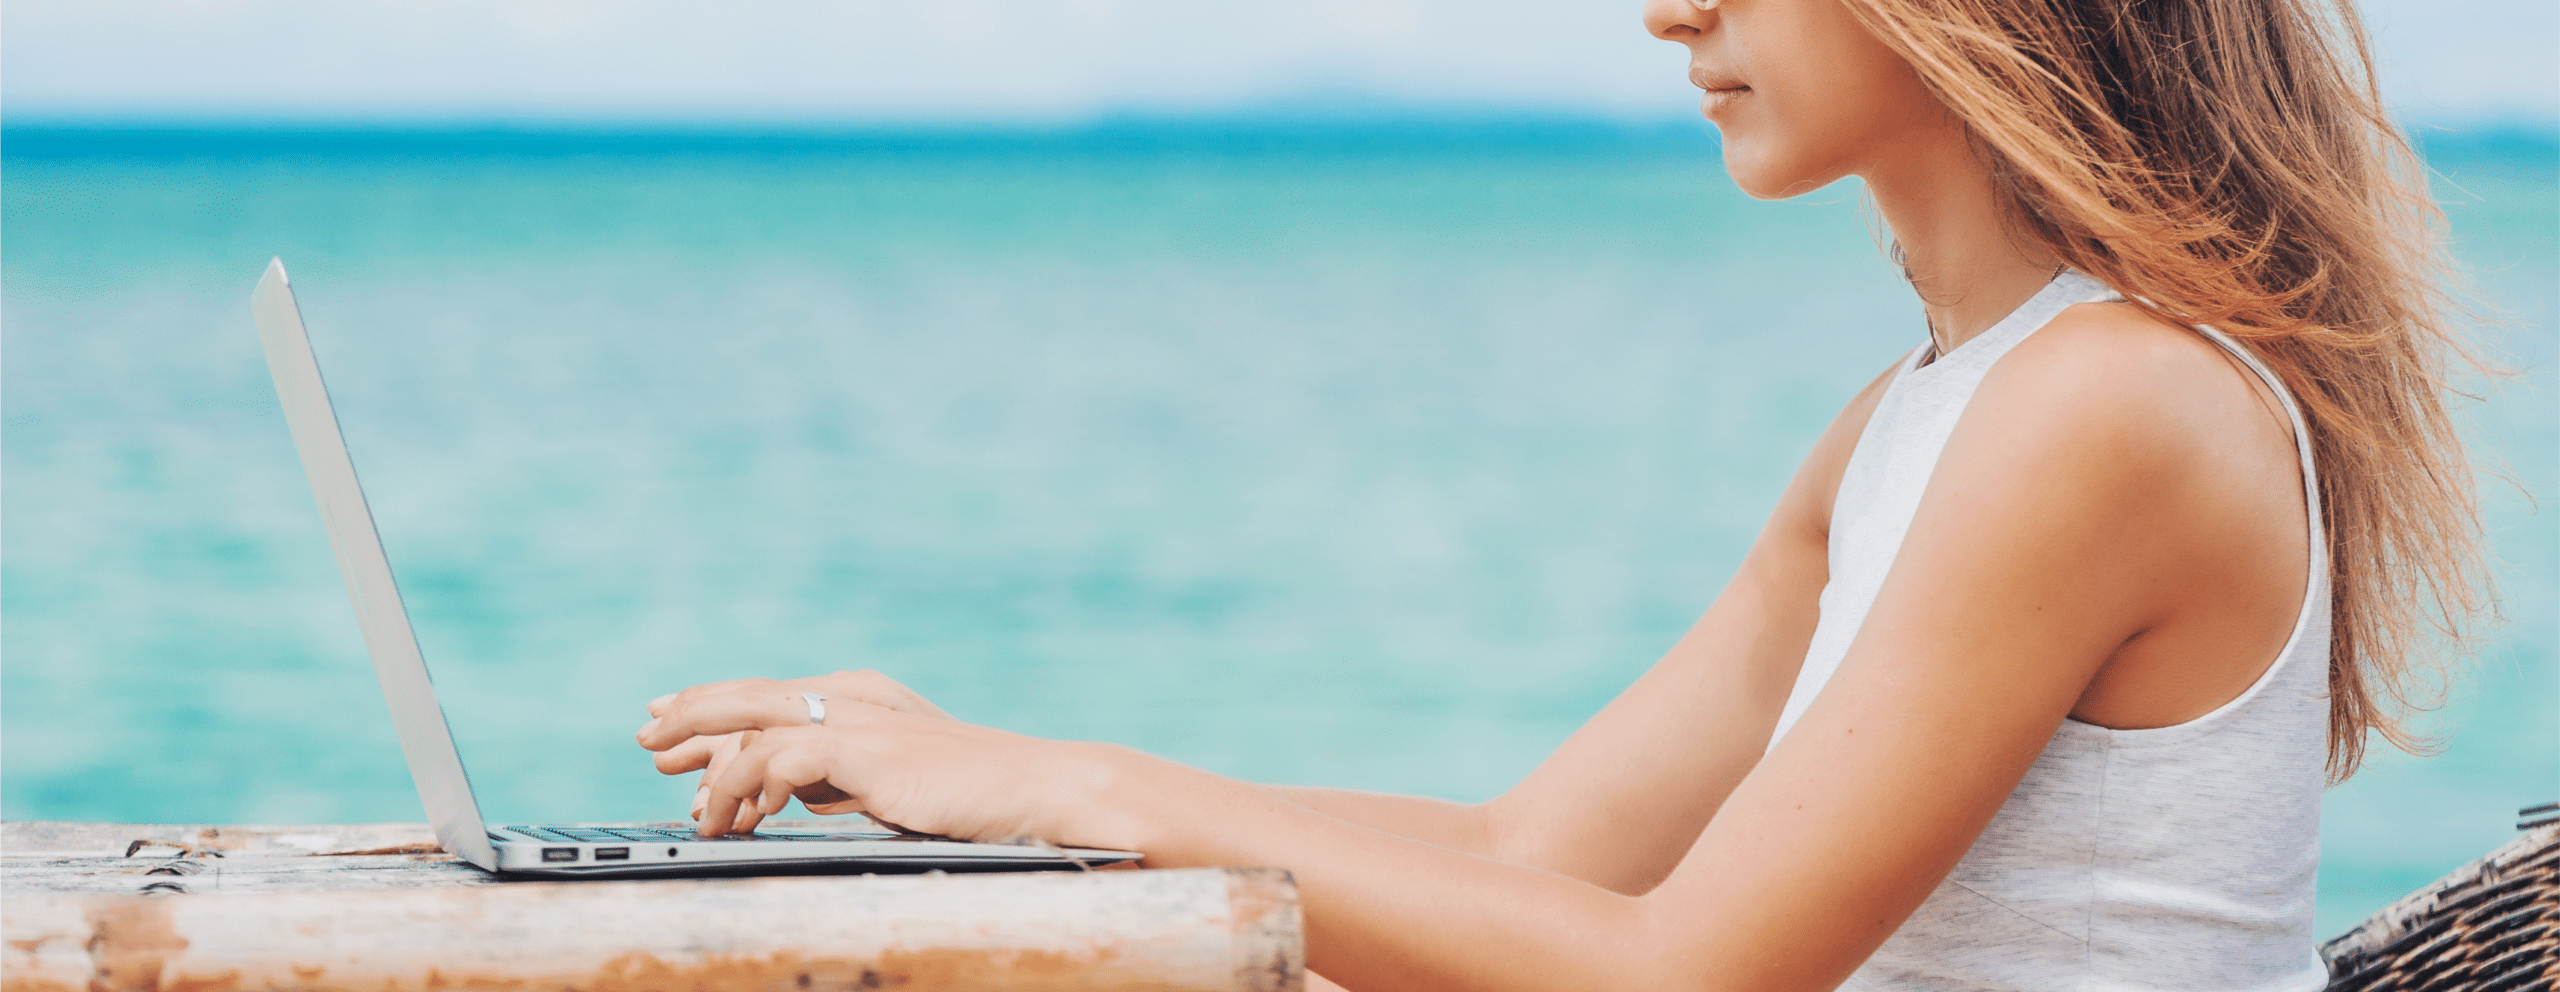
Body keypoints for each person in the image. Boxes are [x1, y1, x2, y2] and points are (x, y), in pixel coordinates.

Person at [632, 0, 2494, 986]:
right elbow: (1532, 857)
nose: (1670, 11)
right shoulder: (1920, 418)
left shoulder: (2114, 404)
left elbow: (1684, 978)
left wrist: (1080, 793)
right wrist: (998, 775)